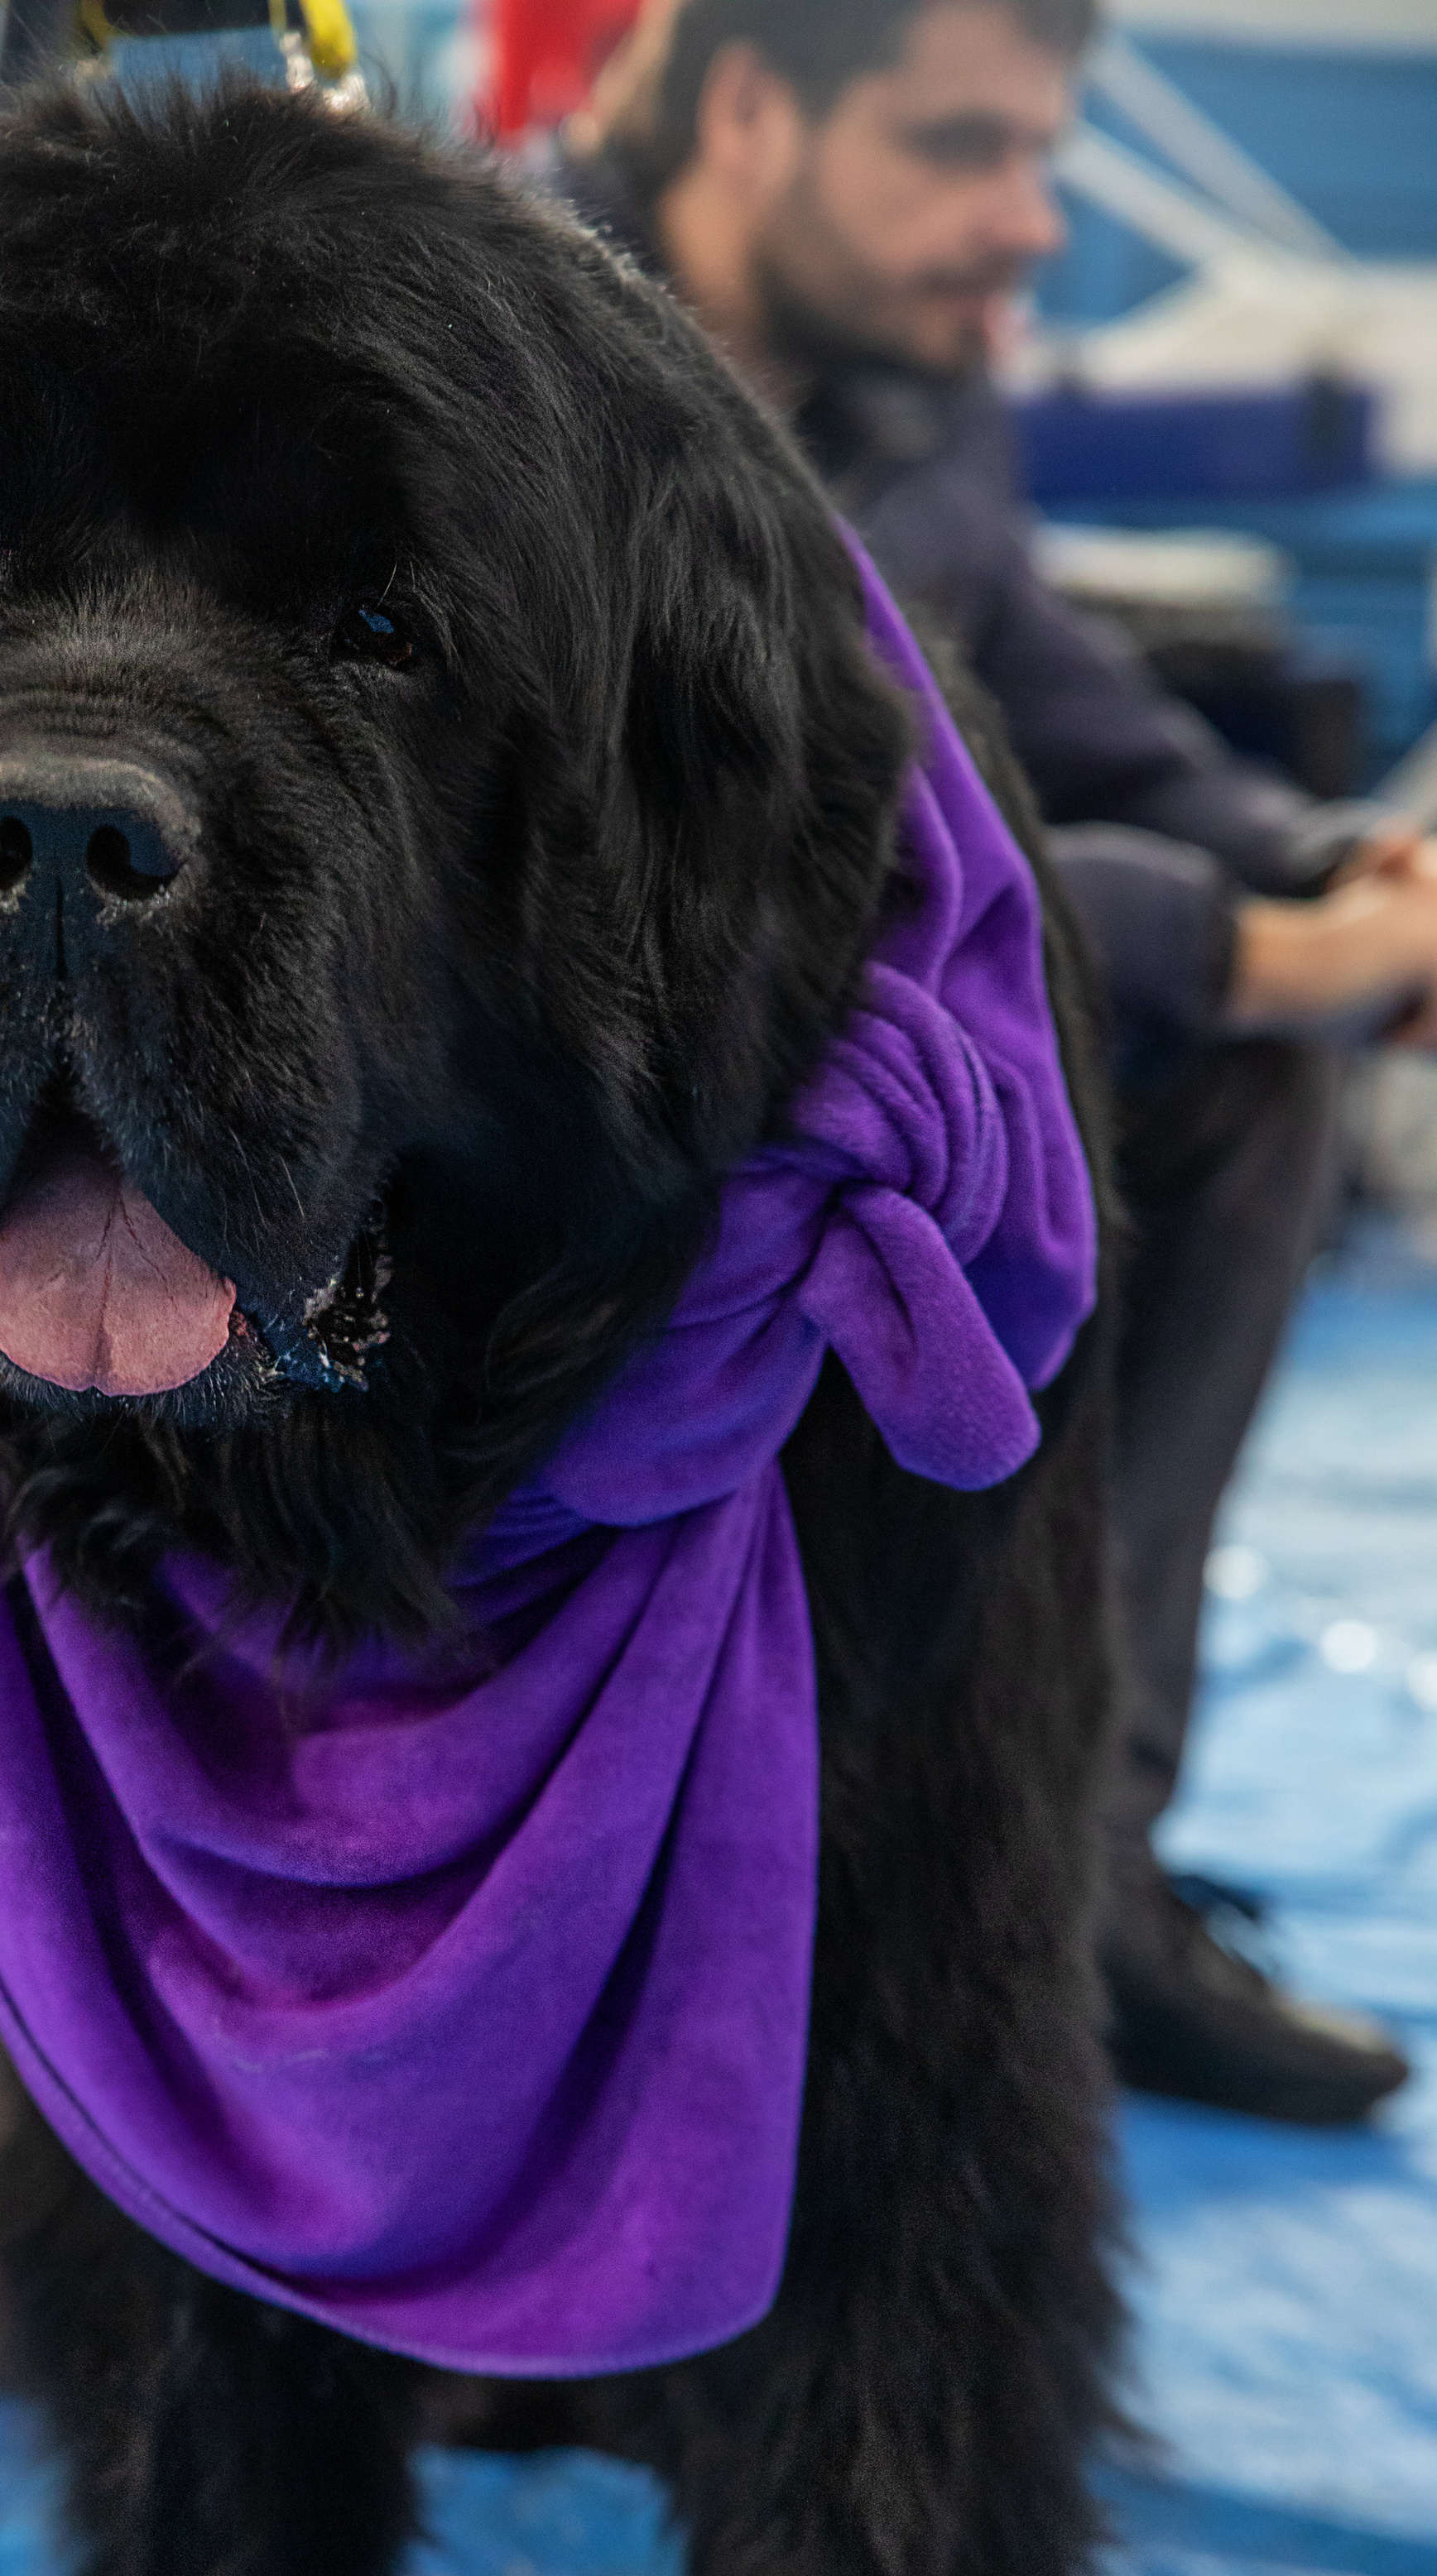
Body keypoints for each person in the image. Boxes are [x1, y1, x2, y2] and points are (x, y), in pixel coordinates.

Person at [553, 0, 1437, 2128]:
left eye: (1039, 156)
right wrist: (1230, 938)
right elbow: (679, 882)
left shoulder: (918, 394)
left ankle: (1063, 1876)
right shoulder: (495, 362)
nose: (1026, 224)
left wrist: (1343, 872)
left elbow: (1071, 713)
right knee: (1210, 1000)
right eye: (961, 148)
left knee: (1244, 1079)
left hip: (856, 1092)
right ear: (752, 105)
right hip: (558, 1128)